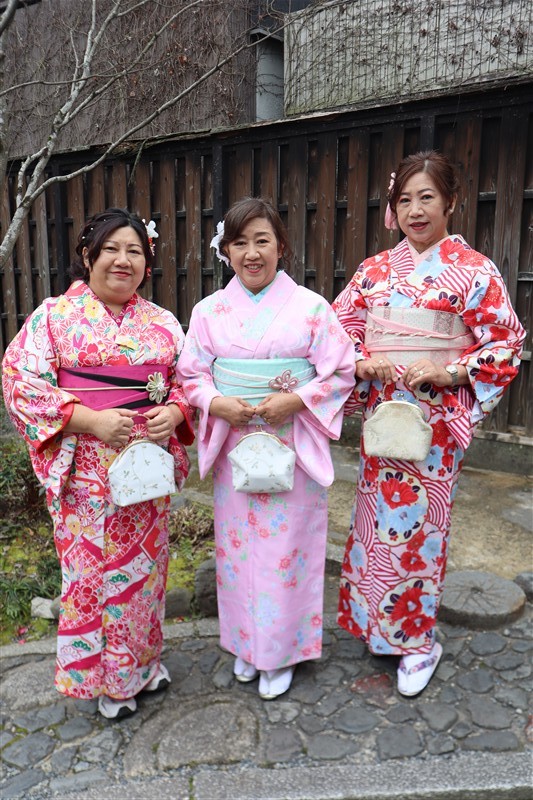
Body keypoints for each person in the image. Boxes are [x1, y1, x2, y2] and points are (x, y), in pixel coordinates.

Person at [333, 150, 525, 697]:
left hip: (435, 425)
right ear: (393, 208)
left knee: (421, 529)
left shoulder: (476, 271)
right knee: (373, 521)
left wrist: (453, 371)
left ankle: (417, 641)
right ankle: (379, 626)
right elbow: (336, 331)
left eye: (427, 197)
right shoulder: (374, 270)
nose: (415, 210)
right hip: (382, 420)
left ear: (451, 202)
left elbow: (506, 343)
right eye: (405, 200)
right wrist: (359, 361)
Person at [2, 208, 194, 719]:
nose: (122, 260)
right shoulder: (53, 317)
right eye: (110, 249)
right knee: (91, 578)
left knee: (144, 576)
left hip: (146, 470)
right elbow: (19, 382)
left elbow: (188, 382)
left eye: (134, 251)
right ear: (88, 256)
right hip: (84, 475)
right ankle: (106, 683)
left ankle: (143, 666)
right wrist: (88, 420)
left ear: (147, 263)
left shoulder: (163, 324)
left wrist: (176, 411)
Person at [177, 197, 355, 700]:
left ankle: (281, 652)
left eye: (262, 241)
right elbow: (190, 374)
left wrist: (295, 400)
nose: (252, 253)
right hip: (235, 443)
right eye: (240, 243)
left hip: (291, 439)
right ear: (226, 251)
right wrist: (217, 402)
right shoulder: (208, 312)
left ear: (281, 246)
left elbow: (342, 371)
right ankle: (246, 645)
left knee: (287, 549)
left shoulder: (312, 308)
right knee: (238, 551)